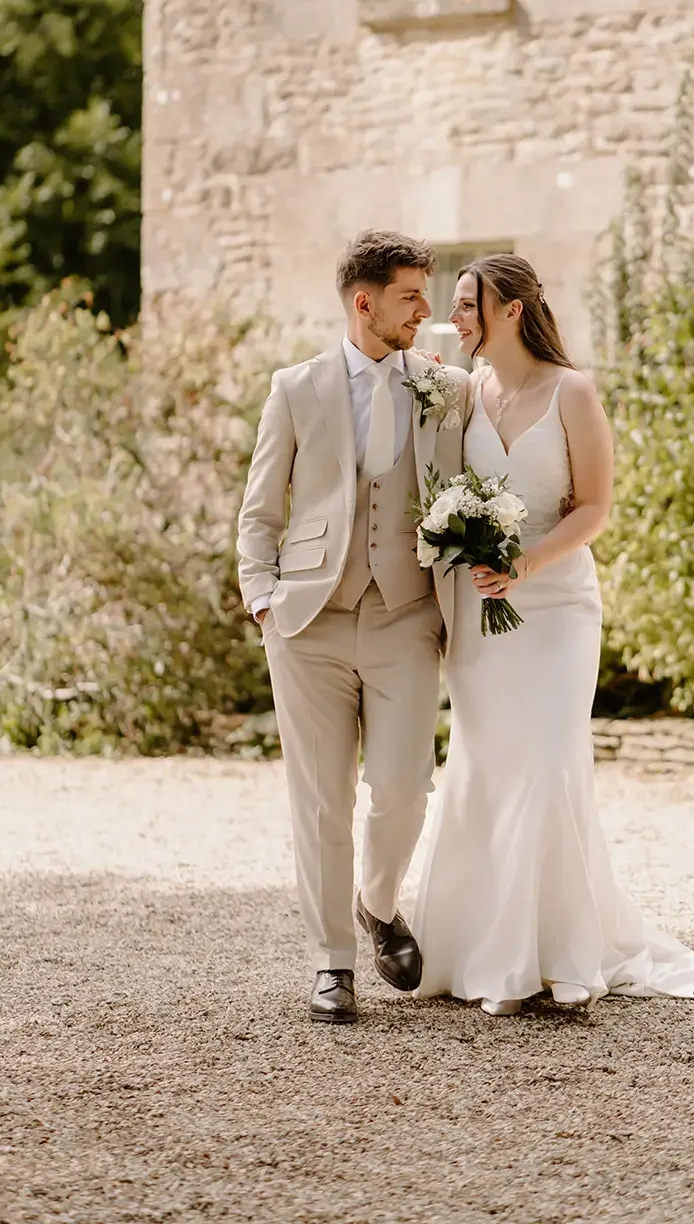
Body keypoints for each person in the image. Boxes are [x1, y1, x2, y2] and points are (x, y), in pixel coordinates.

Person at [413, 253, 694, 1015]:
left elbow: (594, 508)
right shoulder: (462, 391)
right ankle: (483, 952)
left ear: (510, 309)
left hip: (556, 609)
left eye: (465, 304)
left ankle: (555, 957)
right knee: (486, 766)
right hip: (479, 615)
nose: (452, 318)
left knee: (549, 764)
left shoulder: (573, 392)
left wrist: (525, 561)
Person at [237, 231, 467, 1024]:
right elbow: (260, 510)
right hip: (308, 623)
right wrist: (262, 599)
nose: (425, 310)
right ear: (364, 302)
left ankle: (376, 904)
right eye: (410, 296)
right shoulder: (295, 388)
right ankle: (332, 962)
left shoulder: (445, 386)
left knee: (403, 790)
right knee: (320, 802)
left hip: (406, 615)